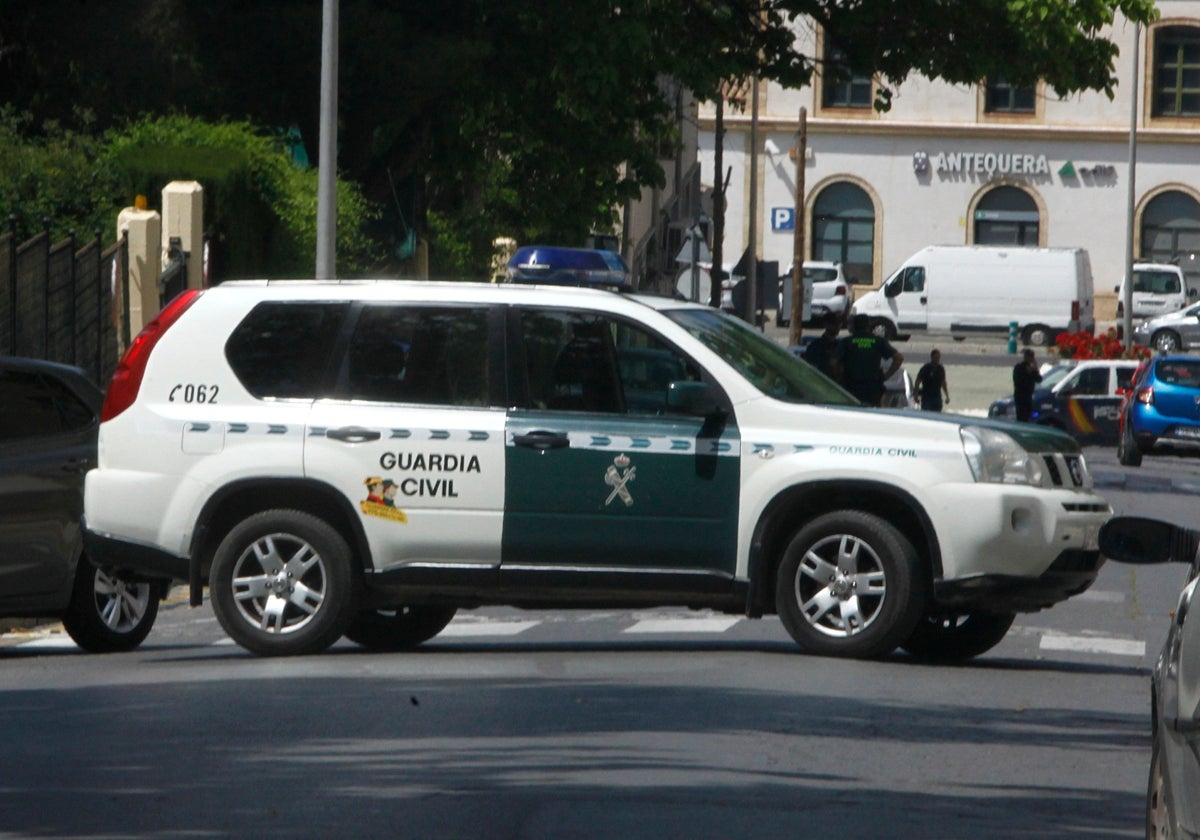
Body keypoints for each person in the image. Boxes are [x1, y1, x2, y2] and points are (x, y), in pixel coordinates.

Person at [835, 314, 904, 406]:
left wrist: (839, 378)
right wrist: (885, 376)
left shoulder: (846, 342)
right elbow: (898, 358)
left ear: (854, 326)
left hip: (851, 385)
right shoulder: (878, 341)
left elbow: (833, 362)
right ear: (869, 326)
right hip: (873, 386)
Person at [801, 313, 841, 379]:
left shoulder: (840, 345)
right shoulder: (815, 346)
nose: (837, 327)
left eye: (839, 324)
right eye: (834, 323)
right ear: (826, 325)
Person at [1012, 348, 1042, 422]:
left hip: (1028, 396)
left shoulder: (1032, 369)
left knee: (1028, 415)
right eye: (1029, 356)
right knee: (1021, 415)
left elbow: (1039, 379)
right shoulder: (1019, 367)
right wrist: (1028, 373)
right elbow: (1018, 381)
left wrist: (1035, 369)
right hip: (1020, 395)